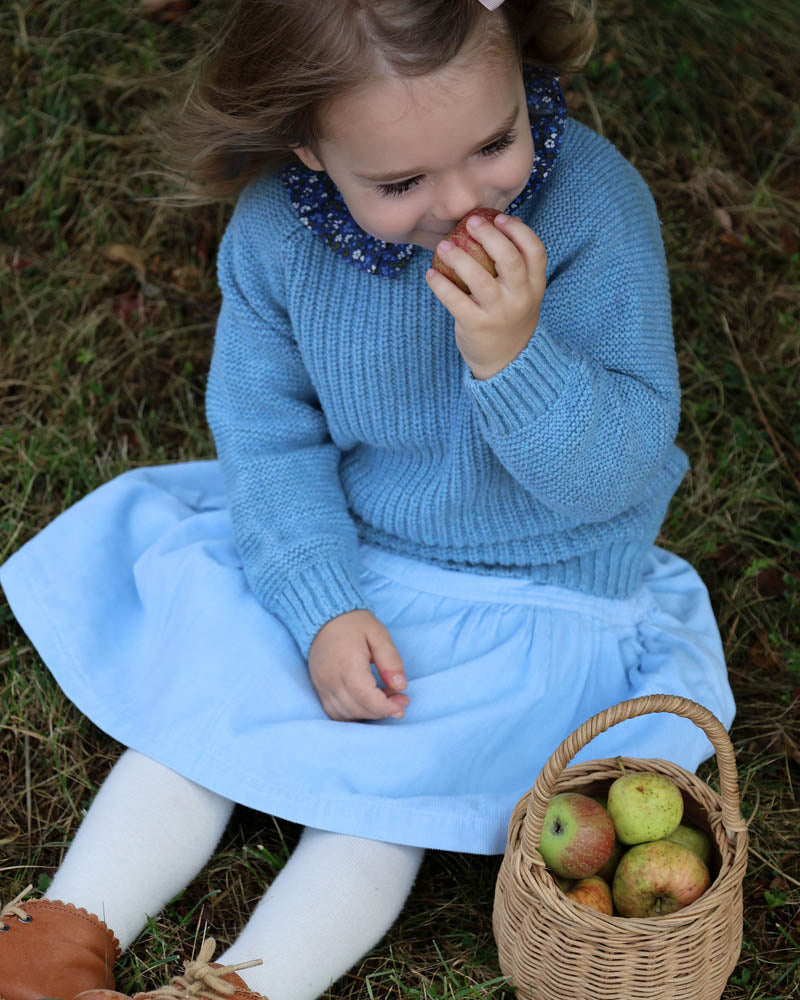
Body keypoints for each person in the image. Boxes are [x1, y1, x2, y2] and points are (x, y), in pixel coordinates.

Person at [0, 1, 737, 998]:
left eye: (494, 142)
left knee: (384, 803)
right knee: (202, 711)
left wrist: (513, 359)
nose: (462, 199)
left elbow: (611, 471)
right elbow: (270, 440)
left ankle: (245, 986)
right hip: (347, 540)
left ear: (521, 75)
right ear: (305, 145)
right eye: (398, 182)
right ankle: (49, 949)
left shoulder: (593, 210)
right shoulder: (275, 235)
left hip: (534, 579)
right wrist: (319, 602)